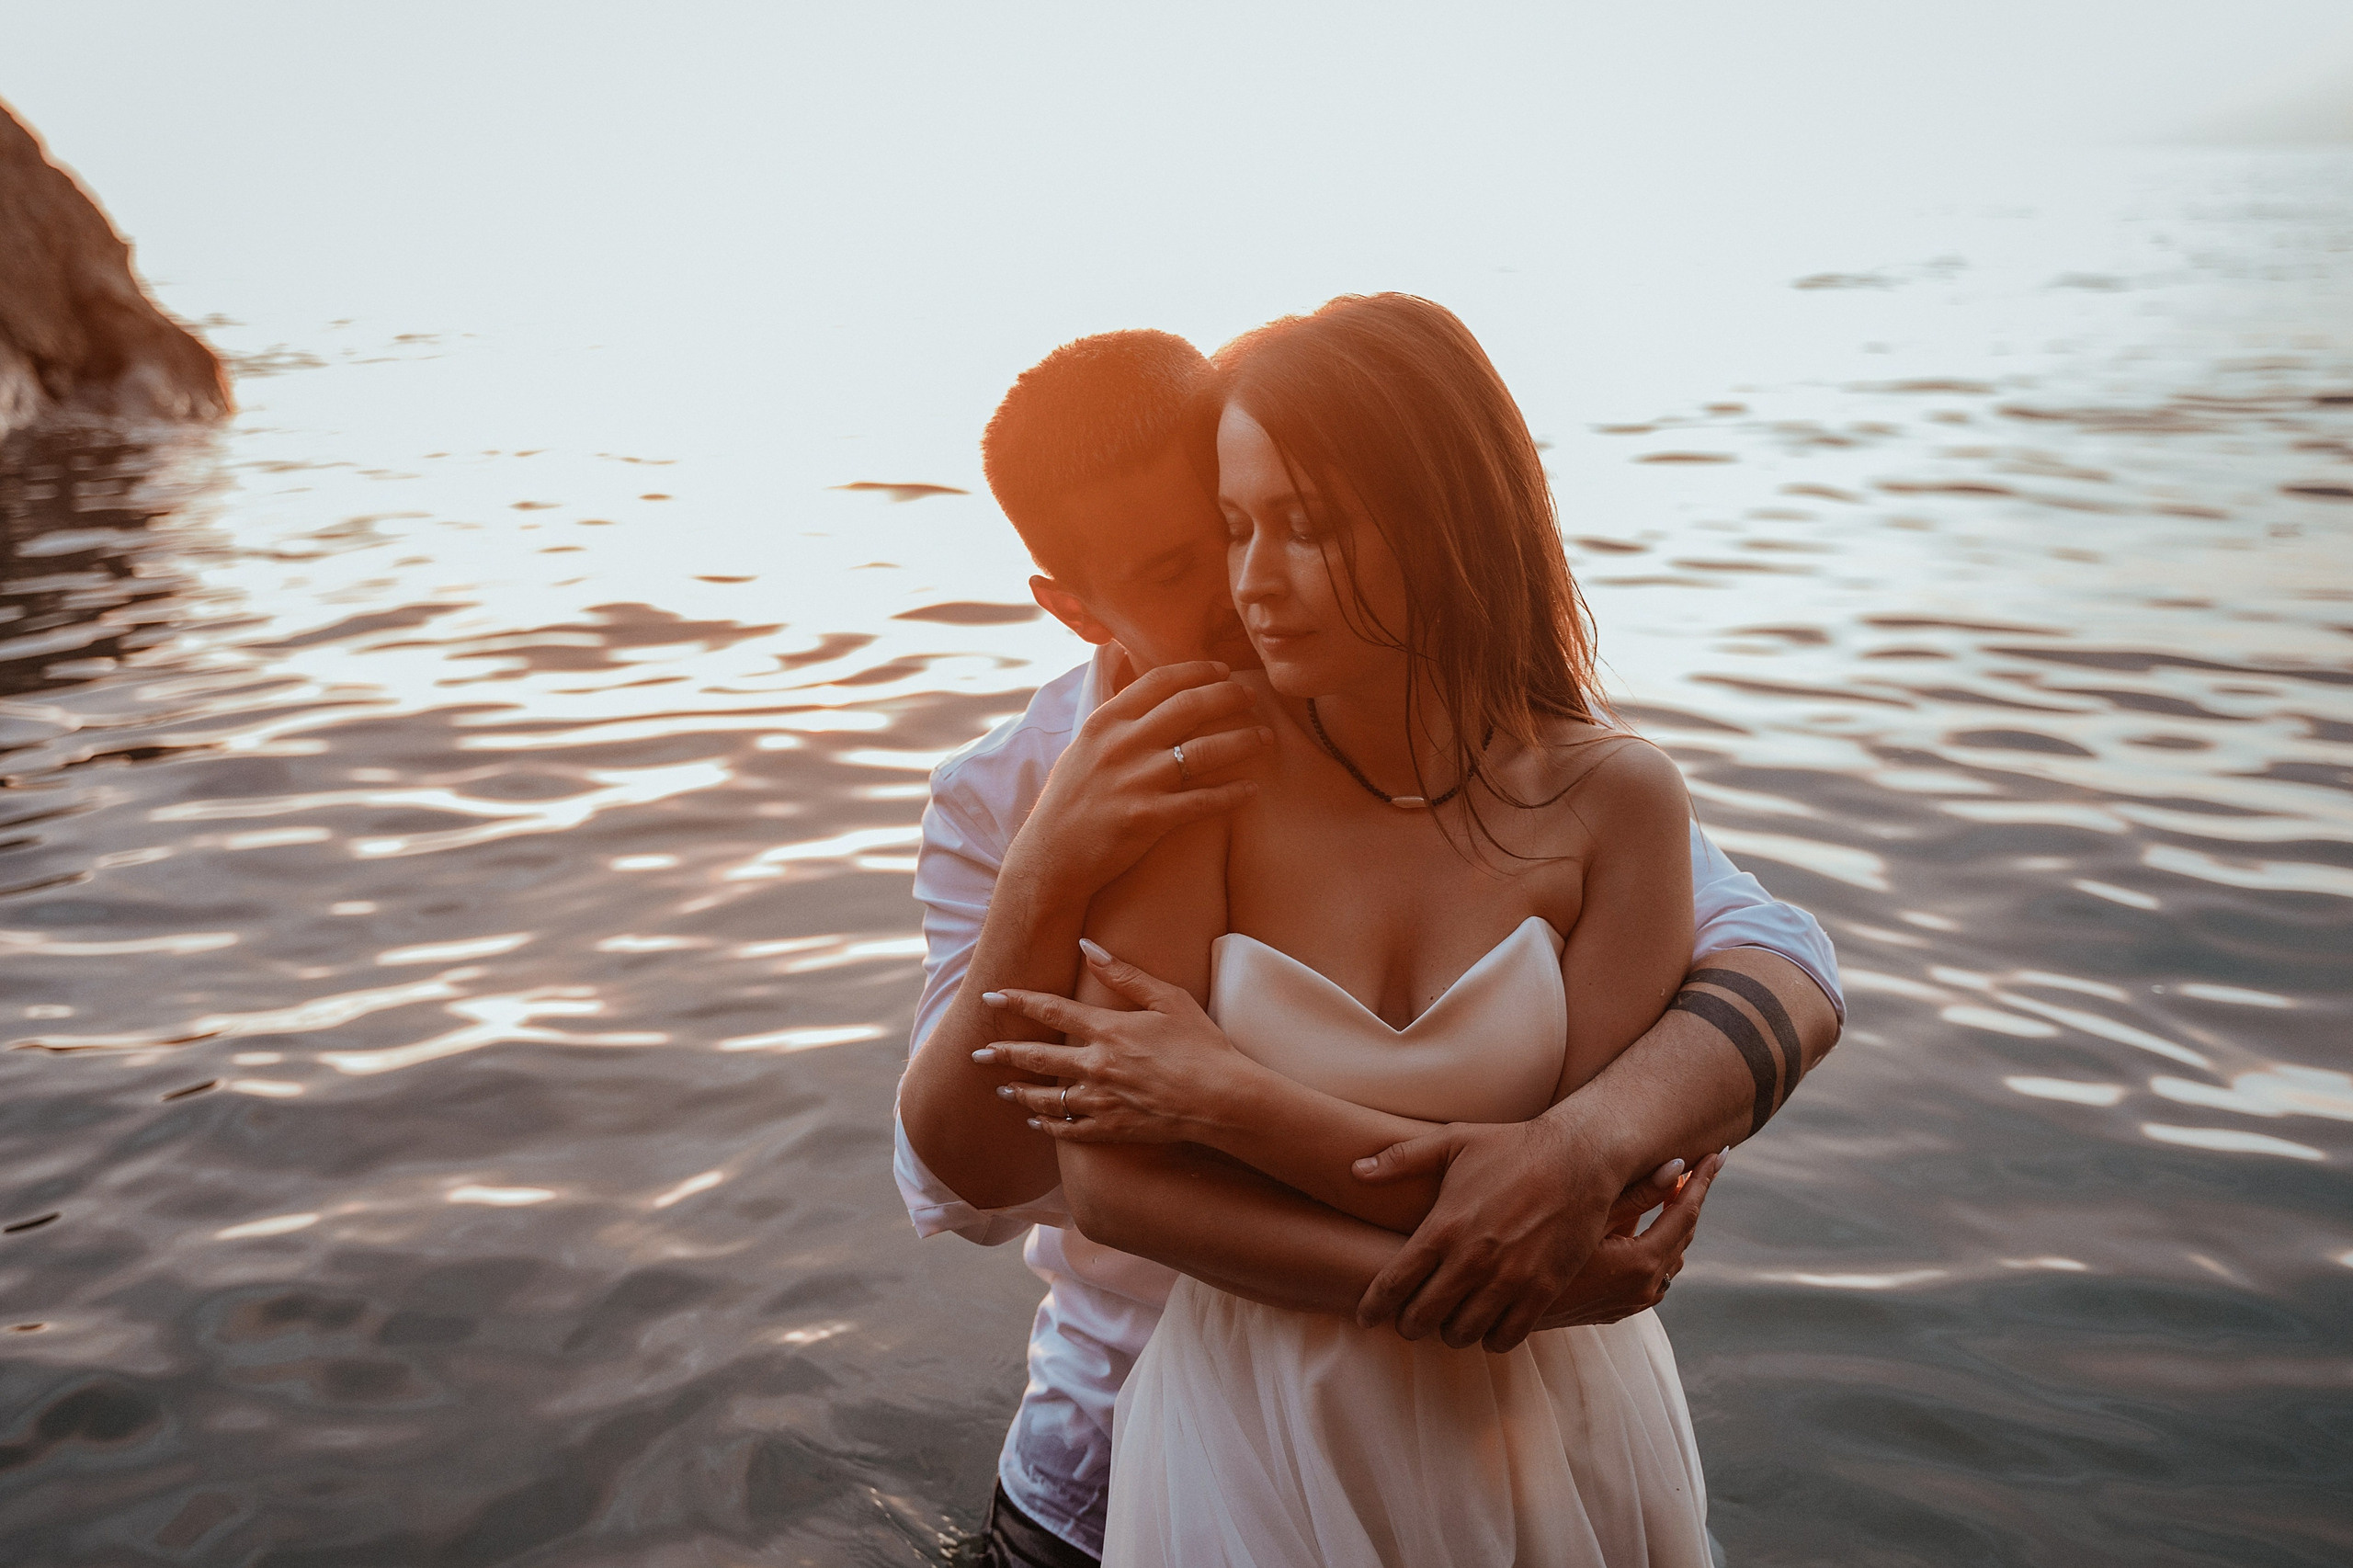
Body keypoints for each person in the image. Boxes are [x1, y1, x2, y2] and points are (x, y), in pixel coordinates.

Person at [895, 325, 1843, 1567]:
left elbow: (1782, 958)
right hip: (1130, 1433)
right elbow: (970, 1168)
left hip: (1512, 1435)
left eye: (1282, 522)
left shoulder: (1546, 778)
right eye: (1205, 548)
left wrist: (1579, 1151)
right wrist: (1046, 866)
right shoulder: (1024, 794)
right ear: (1073, 608)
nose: (1247, 585)